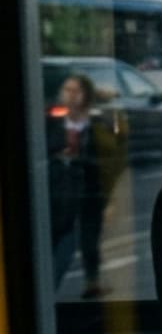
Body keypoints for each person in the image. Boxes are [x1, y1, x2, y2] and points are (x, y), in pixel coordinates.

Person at [46, 73, 128, 299]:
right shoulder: (52, 122)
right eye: (67, 90)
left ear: (86, 96)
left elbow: (110, 159)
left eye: (76, 91)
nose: (70, 96)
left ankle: (91, 282)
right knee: (62, 239)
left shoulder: (98, 125)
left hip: (89, 191)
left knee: (89, 238)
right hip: (60, 194)